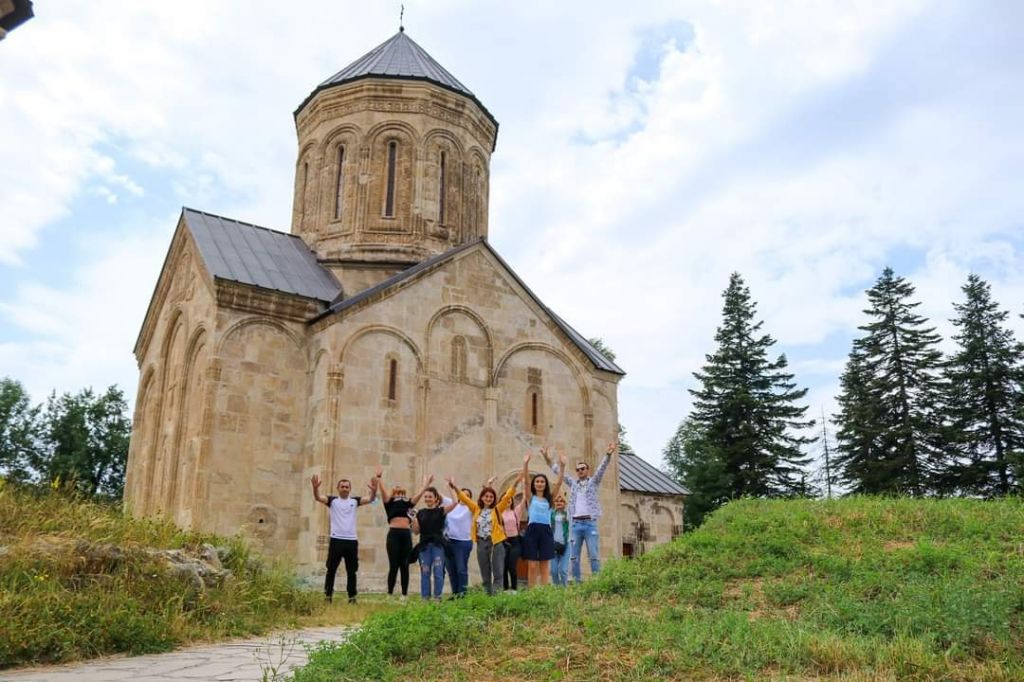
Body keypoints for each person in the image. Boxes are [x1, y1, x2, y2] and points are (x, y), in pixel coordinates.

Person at [548, 440, 617, 584]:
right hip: (576, 524)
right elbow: (557, 472)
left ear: (587, 470)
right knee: (574, 557)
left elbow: (601, 470)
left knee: (593, 554)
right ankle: (578, 583)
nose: (580, 471)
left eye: (583, 469)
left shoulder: (593, 482)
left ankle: (597, 582)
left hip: (589, 523)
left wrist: (608, 454)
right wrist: (548, 459)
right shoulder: (573, 484)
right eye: (578, 469)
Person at [447, 473, 522, 595]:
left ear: (494, 499)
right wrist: (454, 487)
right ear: (482, 498)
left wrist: (516, 482)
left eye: (491, 497)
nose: (488, 498)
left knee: (498, 572)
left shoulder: (497, 509)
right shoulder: (476, 508)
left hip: (496, 543)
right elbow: (464, 498)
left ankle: (496, 597)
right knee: (485, 572)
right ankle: (487, 596)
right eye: (486, 496)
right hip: (481, 542)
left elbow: (508, 496)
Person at [310, 473, 376, 603]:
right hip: (336, 540)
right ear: (338, 488)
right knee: (331, 569)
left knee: (352, 571)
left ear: (350, 489)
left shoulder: (354, 501)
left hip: (351, 541)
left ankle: (352, 597)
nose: (344, 488)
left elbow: (370, 499)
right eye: (342, 486)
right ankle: (328, 596)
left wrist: (374, 491)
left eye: (347, 487)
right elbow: (318, 497)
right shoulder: (332, 501)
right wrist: (315, 488)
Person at [374, 468, 431, 600]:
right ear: (393, 493)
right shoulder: (389, 503)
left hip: (405, 534)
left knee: (405, 565)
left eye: (401, 491)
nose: (399, 491)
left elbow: (419, 494)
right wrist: (379, 479)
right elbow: (383, 492)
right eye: (396, 490)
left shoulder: (408, 503)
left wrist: (426, 484)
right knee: (393, 565)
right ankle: (390, 593)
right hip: (394, 534)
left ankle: (404, 594)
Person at [520, 450, 564, 587]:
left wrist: (563, 467)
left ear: (545, 484)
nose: (539, 483)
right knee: (532, 565)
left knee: (545, 565)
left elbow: (559, 483)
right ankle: (532, 592)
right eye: (537, 481)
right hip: (532, 530)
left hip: (545, 531)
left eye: (542, 482)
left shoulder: (549, 500)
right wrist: (525, 464)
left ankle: (544, 593)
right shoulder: (530, 498)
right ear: (534, 484)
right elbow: (526, 483)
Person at [411, 485, 458, 601]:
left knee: (438, 572)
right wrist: (413, 520)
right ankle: (425, 598)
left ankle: (437, 597)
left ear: (436, 498)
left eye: (430, 497)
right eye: (426, 497)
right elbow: (416, 532)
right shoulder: (420, 513)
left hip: (438, 545)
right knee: (425, 572)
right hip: (424, 547)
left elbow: (455, 503)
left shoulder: (441, 511)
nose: (427, 499)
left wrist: (451, 488)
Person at [443, 484, 475, 597]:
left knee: (461, 569)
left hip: (463, 542)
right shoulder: (452, 505)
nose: (464, 497)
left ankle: (463, 594)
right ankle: (455, 593)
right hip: (449, 541)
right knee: (451, 570)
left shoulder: (470, 508)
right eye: (463, 494)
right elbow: (438, 496)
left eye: (467, 495)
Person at [501, 492, 524, 592]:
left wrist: (524, 482)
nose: (508, 500)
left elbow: (524, 500)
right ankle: (505, 589)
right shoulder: (499, 512)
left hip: (515, 542)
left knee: (512, 566)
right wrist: (489, 485)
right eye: (505, 498)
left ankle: (514, 589)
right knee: (504, 567)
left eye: (509, 498)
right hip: (503, 541)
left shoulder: (516, 511)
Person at [550, 493, 570, 586]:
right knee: (554, 571)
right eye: (557, 501)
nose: (559, 502)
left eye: (561, 501)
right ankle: (557, 590)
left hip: (565, 545)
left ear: (564, 503)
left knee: (563, 571)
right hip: (553, 544)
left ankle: (564, 591)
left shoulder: (568, 515)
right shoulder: (551, 514)